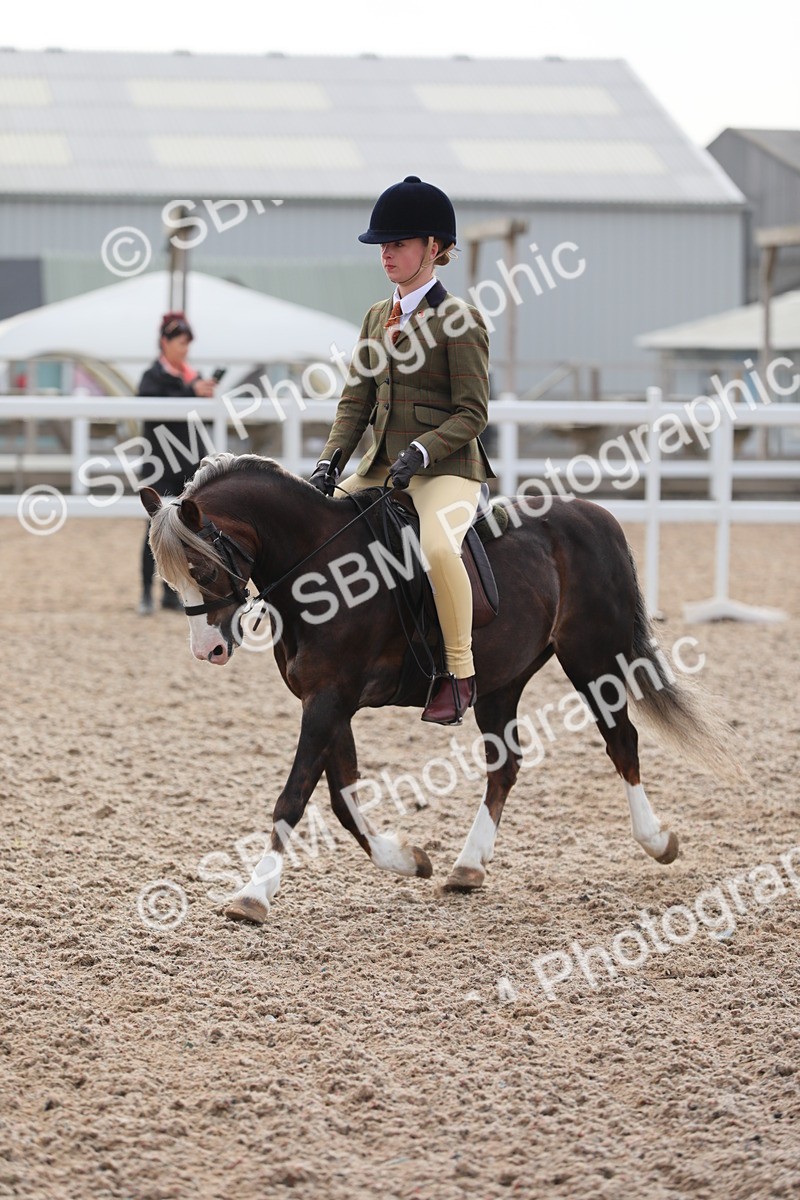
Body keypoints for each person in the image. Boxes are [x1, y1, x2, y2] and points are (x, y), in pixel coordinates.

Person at [309, 176, 495, 726]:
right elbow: (356, 401)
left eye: (399, 244)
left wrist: (422, 449)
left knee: (437, 547)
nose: (386, 254)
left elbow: (472, 412)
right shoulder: (376, 317)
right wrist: (330, 461)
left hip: (446, 470)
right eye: (382, 245)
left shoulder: (461, 320)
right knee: (312, 526)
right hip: (383, 467)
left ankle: (459, 672)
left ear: (434, 248)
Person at [137, 312, 216, 614]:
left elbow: (204, 421)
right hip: (160, 463)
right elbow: (150, 402)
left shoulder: (192, 376)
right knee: (155, 529)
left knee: (188, 529)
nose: (185, 349)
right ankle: (147, 591)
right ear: (165, 343)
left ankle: (174, 592)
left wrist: (204, 398)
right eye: (181, 342)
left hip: (188, 464)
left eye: (187, 343)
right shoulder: (153, 377)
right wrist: (191, 392)